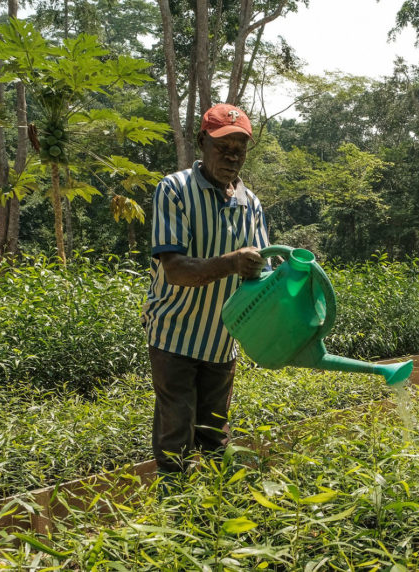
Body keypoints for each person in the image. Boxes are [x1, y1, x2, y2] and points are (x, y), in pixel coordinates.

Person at [142, 103, 270, 489]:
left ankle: (214, 515)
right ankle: (173, 513)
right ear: (201, 142)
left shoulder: (252, 204)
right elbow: (176, 270)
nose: (232, 157)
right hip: (175, 334)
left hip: (221, 340)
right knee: (176, 435)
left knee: (214, 435)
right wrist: (232, 262)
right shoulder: (175, 189)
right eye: (222, 148)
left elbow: (261, 275)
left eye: (239, 150)